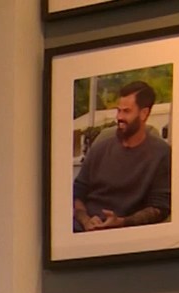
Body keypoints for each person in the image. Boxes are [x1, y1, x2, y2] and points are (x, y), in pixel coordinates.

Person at [72, 81, 172, 232]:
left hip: (126, 233)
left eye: (126, 111)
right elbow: (77, 193)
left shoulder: (161, 153)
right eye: (118, 111)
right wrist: (85, 220)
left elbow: (159, 207)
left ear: (144, 113)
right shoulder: (100, 147)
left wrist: (122, 222)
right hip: (82, 228)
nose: (119, 117)